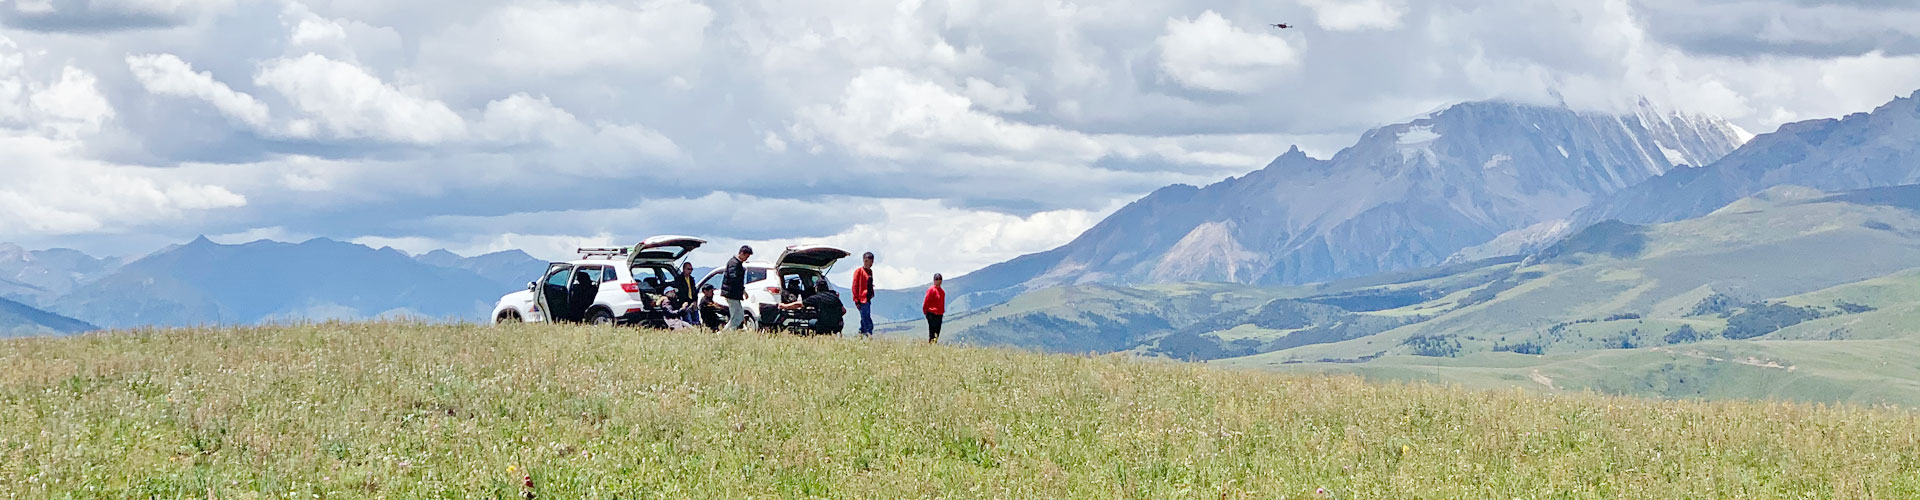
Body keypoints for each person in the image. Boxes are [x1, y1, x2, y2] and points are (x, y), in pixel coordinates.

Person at [779, 280, 845, 336]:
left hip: (824, 326)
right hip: (838, 325)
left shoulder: (816, 298)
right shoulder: (834, 297)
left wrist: (784, 306)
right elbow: (844, 310)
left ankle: (812, 338)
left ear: (816, 288)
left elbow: (799, 304)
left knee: (811, 322)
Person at [722, 245, 753, 330]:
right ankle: (727, 333)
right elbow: (734, 279)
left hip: (734, 294)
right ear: (742, 253)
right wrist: (742, 290)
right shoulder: (734, 263)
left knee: (739, 315)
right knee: (736, 317)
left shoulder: (736, 263)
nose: (746, 259)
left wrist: (742, 291)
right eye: (746, 256)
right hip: (731, 293)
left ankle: (724, 333)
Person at [852, 252, 876, 337]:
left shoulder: (870, 272)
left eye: (869, 261)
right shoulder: (858, 271)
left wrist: (872, 292)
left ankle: (861, 334)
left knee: (864, 318)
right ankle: (869, 333)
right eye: (865, 261)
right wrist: (856, 300)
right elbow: (855, 286)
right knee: (866, 318)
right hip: (861, 299)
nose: (867, 263)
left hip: (867, 298)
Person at [923, 273, 945, 343]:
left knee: (937, 332)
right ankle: (931, 345)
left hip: (939, 314)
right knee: (932, 332)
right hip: (932, 314)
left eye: (940, 279)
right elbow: (926, 301)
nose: (938, 281)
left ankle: (934, 345)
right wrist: (925, 312)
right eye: (937, 279)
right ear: (934, 280)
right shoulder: (931, 290)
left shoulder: (942, 292)